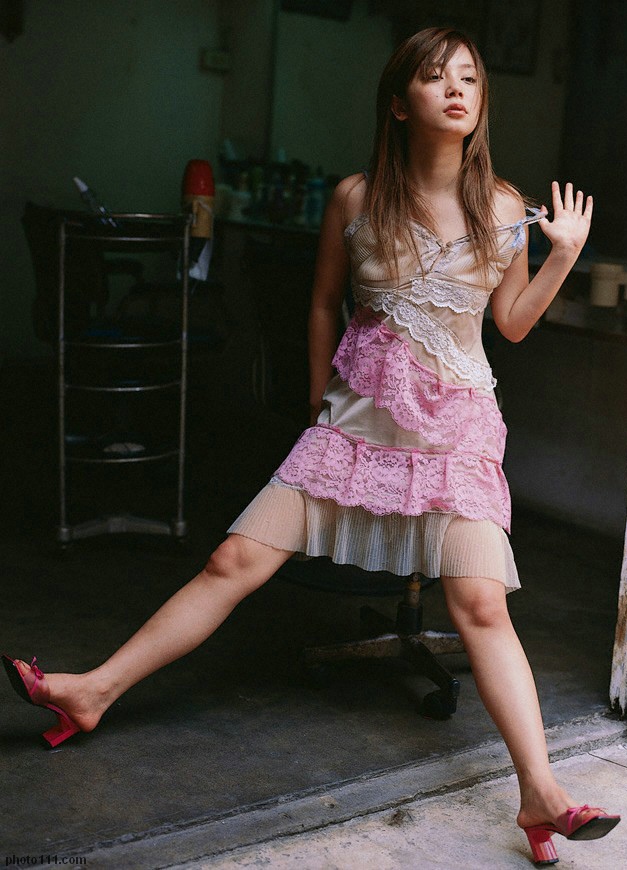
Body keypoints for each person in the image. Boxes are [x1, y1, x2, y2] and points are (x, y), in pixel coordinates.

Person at [4, 27, 619, 865]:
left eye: (469, 78)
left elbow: (509, 324)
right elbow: (323, 303)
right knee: (232, 561)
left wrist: (563, 257)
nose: (455, 89)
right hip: (351, 425)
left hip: (455, 431)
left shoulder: (505, 206)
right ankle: (92, 692)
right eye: (434, 77)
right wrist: (316, 406)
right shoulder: (354, 197)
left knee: (480, 605)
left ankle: (538, 794)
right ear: (396, 103)